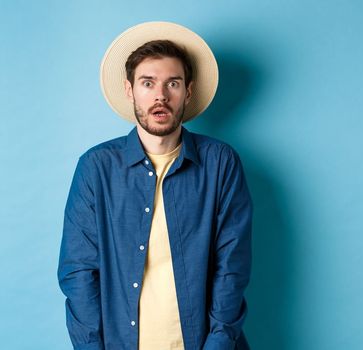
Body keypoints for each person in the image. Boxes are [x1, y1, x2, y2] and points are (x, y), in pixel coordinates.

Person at [57, 21, 253, 350]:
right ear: (130, 90)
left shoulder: (220, 163)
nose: (160, 95)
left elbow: (231, 266)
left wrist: (217, 344)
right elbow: (79, 271)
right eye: (148, 83)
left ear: (188, 92)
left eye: (172, 83)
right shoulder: (96, 167)